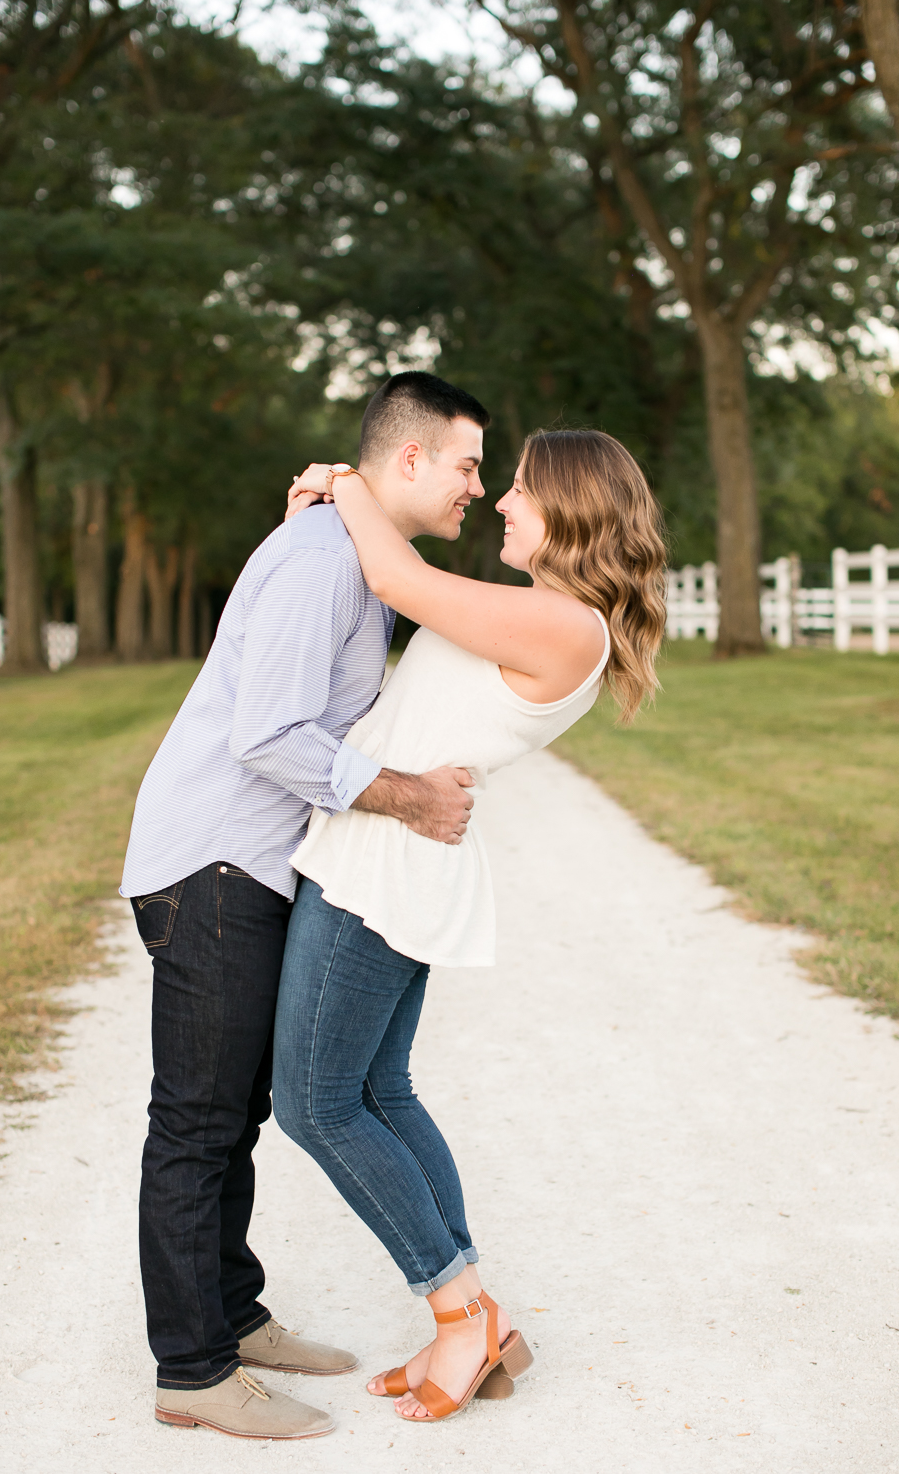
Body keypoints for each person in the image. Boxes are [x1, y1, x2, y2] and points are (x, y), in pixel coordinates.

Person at [118, 372, 493, 1441]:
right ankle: (191, 1370)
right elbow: (270, 735)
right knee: (195, 1120)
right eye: (467, 463)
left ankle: (231, 1319)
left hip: (254, 868)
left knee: (236, 1109)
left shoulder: (358, 557)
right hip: (215, 865)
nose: (478, 484)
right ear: (409, 459)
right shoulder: (322, 559)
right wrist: (409, 799)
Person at [274, 428, 668, 1422]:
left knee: (315, 1105)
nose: (499, 502)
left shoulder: (568, 627)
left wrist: (347, 480)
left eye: (523, 490)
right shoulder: (542, 613)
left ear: (572, 511)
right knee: (377, 1089)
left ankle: (458, 1315)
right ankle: (477, 1312)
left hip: (388, 872)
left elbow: (398, 577)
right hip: (388, 858)